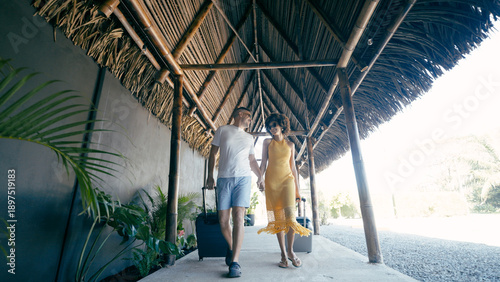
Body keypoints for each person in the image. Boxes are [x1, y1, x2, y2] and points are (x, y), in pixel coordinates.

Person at [206, 107, 263, 278]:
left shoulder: (249, 138)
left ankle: (235, 262)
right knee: (223, 220)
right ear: (241, 114)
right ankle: (231, 248)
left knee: (238, 216)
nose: (250, 120)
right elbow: (213, 153)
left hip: (243, 179)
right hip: (224, 178)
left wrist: (260, 177)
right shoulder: (223, 130)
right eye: (249, 116)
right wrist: (210, 176)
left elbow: (252, 160)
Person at [257, 113, 311, 268]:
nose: (272, 128)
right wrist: (260, 178)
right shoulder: (267, 142)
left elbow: (293, 168)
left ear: (282, 125)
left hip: (288, 182)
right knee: (279, 221)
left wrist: (298, 190)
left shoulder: (291, 145)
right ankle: (282, 254)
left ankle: (291, 251)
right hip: (272, 182)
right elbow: (263, 164)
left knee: (290, 219)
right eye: (270, 126)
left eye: (275, 125)